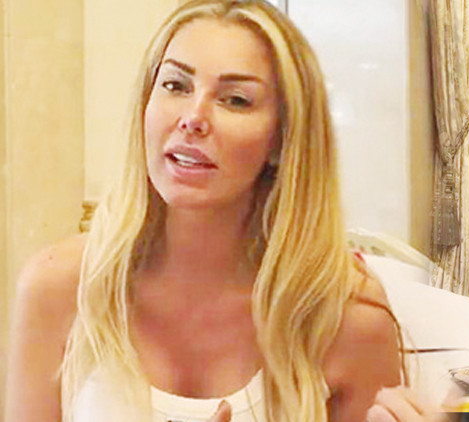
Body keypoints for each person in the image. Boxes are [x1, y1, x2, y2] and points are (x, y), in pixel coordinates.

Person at [4, 1, 407, 421]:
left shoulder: (348, 321)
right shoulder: (59, 287)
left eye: (235, 100)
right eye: (175, 85)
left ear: (281, 140)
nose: (193, 118)